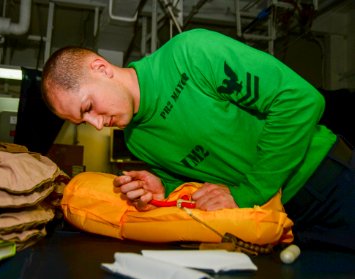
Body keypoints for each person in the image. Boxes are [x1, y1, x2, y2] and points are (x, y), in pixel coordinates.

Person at [41, 28, 354, 250]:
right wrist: (162, 188)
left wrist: (249, 192)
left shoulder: (190, 53)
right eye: (82, 121)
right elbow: (201, 185)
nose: (96, 125)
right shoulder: (136, 139)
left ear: (101, 68)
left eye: (88, 108)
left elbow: (300, 101)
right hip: (279, 221)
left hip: (331, 183)